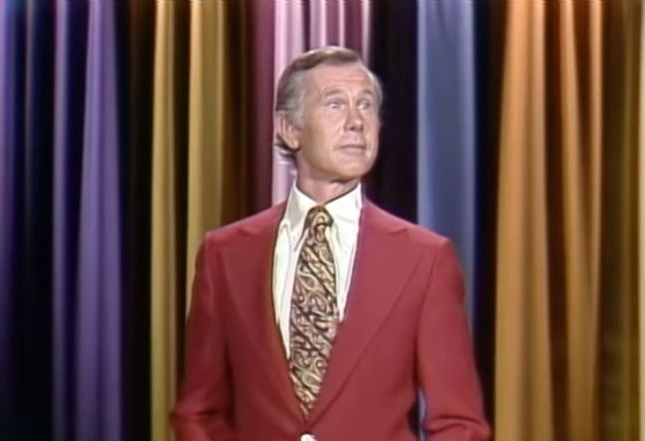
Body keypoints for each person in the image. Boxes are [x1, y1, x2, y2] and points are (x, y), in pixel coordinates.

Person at [171, 46, 490, 441]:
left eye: (366, 105)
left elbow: (459, 423)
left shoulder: (425, 260)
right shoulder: (225, 255)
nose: (357, 122)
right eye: (335, 104)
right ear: (289, 129)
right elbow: (198, 412)